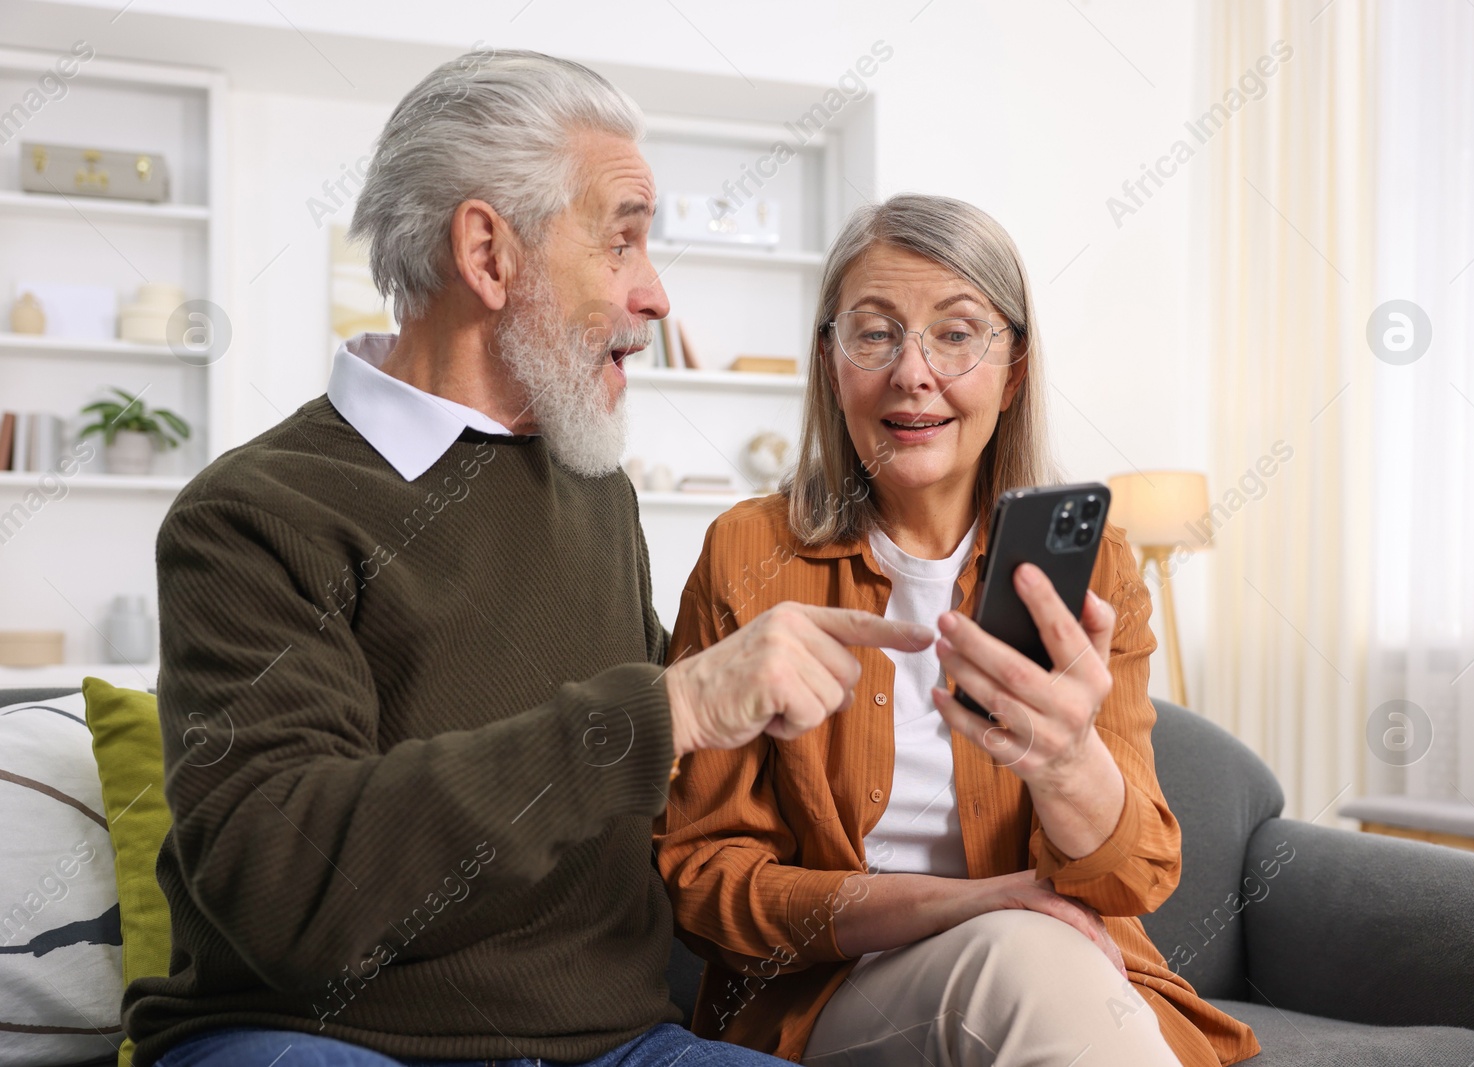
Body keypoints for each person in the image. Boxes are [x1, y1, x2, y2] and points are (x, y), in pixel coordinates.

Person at [128, 51, 932, 1067]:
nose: (654, 295)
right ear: (489, 254)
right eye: (623, 240)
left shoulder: (597, 491)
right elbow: (282, 882)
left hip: (616, 1044)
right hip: (320, 1037)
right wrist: (665, 709)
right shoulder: (250, 515)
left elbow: (678, 797)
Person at [655, 195, 1261, 1066]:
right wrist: (961, 905)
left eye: (957, 333)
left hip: (1069, 978)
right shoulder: (749, 554)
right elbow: (706, 880)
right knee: (1023, 955)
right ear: (831, 362)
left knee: (1036, 960)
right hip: (829, 996)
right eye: (874, 334)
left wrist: (1065, 761)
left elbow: (1133, 876)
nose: (912, 372)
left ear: (1013, 370)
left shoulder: (1097, 571)